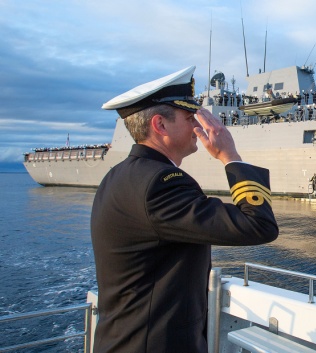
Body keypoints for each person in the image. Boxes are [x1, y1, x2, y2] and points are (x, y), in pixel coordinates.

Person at [91, 66, 279, 353]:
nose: (199, 126)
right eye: (190, 117)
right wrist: (230, 156)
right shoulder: (160, 184)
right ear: (160, 125)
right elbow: (258, 224)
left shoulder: (119, 176)